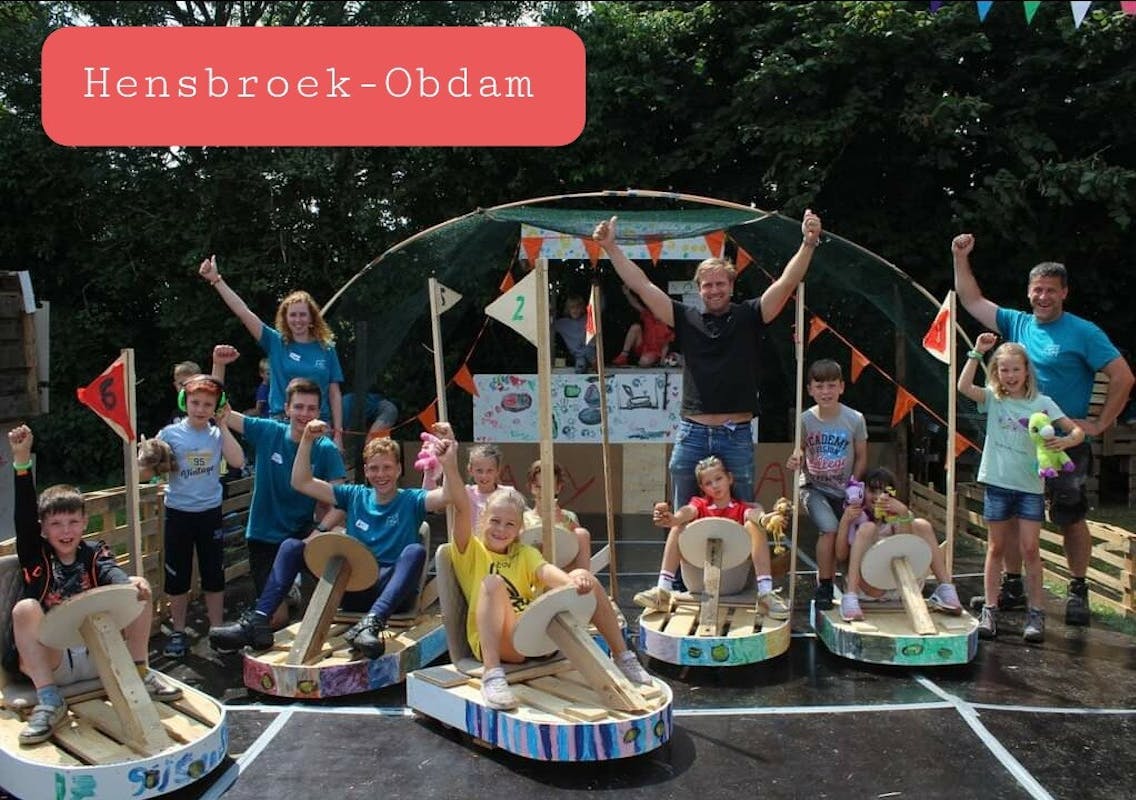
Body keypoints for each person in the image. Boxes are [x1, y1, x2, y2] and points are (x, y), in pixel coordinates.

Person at [953, 233, 1134, 625]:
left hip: (1062, 440)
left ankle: (1078, 589)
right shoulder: (1016, 322)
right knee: (1013, 517)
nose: (1043, 297)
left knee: (1069, 515)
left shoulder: (1084, 332)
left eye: (1051, 290)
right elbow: (971, 301)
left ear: (1064, 292)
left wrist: (1099, 423)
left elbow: (1123, 376)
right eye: (1037, 290)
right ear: (1029, 292)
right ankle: (1013, 586)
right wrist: (960, 257)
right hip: (1016, 442)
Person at [594, 210, 822, 511]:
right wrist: (610, 247)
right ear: (699, 289)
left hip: (736, 434)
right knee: (683, 513)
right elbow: (642, 285)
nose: (714, 290)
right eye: (707, 285)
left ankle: (741, 546)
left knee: (743, 512)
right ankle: (679, 546)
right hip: (693, 432)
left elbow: (787, 282)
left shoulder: (751, 314)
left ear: (731, 285)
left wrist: (808, 243)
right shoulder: (683, 316)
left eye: (720, 284)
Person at [441, 434, 652, 710]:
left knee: (586, 578)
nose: (501, 529)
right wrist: (449, 465)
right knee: (493, 584)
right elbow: (460, 506)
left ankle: (623, 657)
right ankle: (492, 675)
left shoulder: (524, 553)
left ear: (520, 528)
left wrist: (575, 580)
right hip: (504, 644)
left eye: (509, 524)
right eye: (495, 521)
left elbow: (550, 573)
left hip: (536, 638)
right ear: (482, 520)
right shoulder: (470, 551)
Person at [209, 421, 457, 656]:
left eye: (387, 467)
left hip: (390, 593)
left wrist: (450, 459)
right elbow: (301, 482)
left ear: (399, 469)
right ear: (366, 471)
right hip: (352, 588)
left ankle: (371, 624)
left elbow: (449, 496)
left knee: (415, 551)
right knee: (292, 546)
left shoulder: (411, 500)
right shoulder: (354, 495)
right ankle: (259, 620)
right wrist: (307, 440)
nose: (381, 474)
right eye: (374, 468)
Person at [4, 425, 182, 746]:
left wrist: (128, 587)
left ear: (84, 523)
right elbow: (24, 518)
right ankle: (50, 700)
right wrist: (21, 461)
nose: (66, 531)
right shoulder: (35, 554)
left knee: (137, 583)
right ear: (43, 529)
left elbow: (112, 572)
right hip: (55, 662)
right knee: (25, 608)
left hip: (99, 652)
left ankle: (140, 672)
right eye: (56, 524)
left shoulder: (95, 553)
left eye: (73, 522)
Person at [210, 345, 346, 632]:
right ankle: (285, 595)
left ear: (319, 412)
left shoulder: (326, 449)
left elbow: (342, 502)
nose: (304, 414)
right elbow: (220, 410)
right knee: (277, 620)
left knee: (330, 599)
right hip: (264, 535)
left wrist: (319, 531)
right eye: (298, 407)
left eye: (311, 408)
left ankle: (301, 590)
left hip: (302, 534)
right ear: (286, 409)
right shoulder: (268, 431)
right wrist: (218, 366)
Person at [957, 334, 1084, 641]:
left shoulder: (1042, 403)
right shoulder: (994, 398)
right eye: (1004, 370)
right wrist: (977, 353)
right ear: (996, 372)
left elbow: (1077, 431)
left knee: (1030, 548)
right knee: (996, 548)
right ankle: (989, 610)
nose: (1010, 375)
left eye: (1016, 369)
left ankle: (1036, 614)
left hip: (1030, 488)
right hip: (998, 484)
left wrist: (1065, 442)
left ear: (1027, 371)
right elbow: (963, 387)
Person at [139, 374, 245, 657]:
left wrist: (223, 425)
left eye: (208, 404)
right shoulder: (169, 434)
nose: (200, 409)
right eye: (195, 402)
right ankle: (178, 631)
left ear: (216, 407)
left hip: (209, 512)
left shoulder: (216, 434)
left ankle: (217, 629)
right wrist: (145, 458)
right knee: (177, 575)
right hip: (178, 513)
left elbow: (237, 461)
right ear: (184, 402)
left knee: (213, 573)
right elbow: (145, 471)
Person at [198, 255, 347, 451]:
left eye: (303, 314)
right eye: (293, 315)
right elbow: (243, 312)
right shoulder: (276, 342)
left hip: (318, 425)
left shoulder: (326, 348)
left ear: (312, 318)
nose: (298, 320)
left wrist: (338, 433)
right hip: (281, 423)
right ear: (285, 318)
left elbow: (334, 393)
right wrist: (216, 280)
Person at [634, 455, 790, 620]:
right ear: (702, 488)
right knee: (679, 526)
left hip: (731, 581)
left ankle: (765, 594)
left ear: (729, 478)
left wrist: (764, 519)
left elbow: (753, 513)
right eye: (708, 483)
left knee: (754, 525)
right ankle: (663, 591)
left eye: (719, 478)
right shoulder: (700, 504)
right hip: (698, 581)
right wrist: (673, 519)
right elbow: (687, 511)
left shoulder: (740, 508)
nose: (715, 485)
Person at [785, 359, 868, 610]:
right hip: (813, 487)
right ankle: (824, 585)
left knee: (848, 538)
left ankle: (855, 582)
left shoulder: (855, 419)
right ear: (810, 390)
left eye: (831, 385)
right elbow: (799, 448)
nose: (825, 392)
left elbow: (861, 456)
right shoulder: (805, 419)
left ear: (841, 387)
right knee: (829, 529)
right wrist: (796, 457)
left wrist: (854, 484)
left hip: (845, 490)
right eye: (819, 386)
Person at [837, 467, 963, 623]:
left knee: (922, 525)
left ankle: (946, 589)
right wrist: (845, 521)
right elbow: (841, 555)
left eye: (884, 492)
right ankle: (850, 598)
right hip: (868, 587)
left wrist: (903, 513)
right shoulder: (857, 516)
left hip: (901, 586)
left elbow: (906, 548)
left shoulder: (899, 514)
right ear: (862, 491)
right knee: (868, 528)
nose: (878, 497)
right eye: (873, 491)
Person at [522, 460, 592, 573]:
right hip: (533, 571)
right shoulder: (523, 518)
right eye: (538, 487)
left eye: (548, 487)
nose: (543, 492)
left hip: (564, 570)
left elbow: (579, 543)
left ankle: (582, 576)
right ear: (531, 487)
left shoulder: (568, 516)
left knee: (582, 533)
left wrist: (563, 520)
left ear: (558, 488)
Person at [612, 285, 675, 367]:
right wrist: (627, 293)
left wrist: (662, 360)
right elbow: (636, 305)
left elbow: (666, 345)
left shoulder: (667, 323)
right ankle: (623, 355)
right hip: (642, 347)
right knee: (635, 327)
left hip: (655, 352)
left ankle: (651, 362)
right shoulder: (648, 315)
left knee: (644, 361)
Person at [465, 443, 512, 531]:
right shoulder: (466, 493)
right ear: (470, 470)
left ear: (497, 471)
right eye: (479, 471)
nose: (484, 476)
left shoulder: (508, 494)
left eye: (489, 471)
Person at [552, 294, 596, 374]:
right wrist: (549, 311)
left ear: (582, 309)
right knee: (580, 365)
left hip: (591, 352)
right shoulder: (562, 324)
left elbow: (599, 308)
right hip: (578, 355)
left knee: (591, 354)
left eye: (578, 307)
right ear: (568, 309)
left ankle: (597, 368)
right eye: (572, 307)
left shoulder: (588, 319)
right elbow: (547, 325)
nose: (575, 310)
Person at [170, 360, 200, 424]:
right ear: (176, 386)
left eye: (189, 383)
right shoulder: (175, 413)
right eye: (181, 384)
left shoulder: (205, 410)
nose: (184, 387)